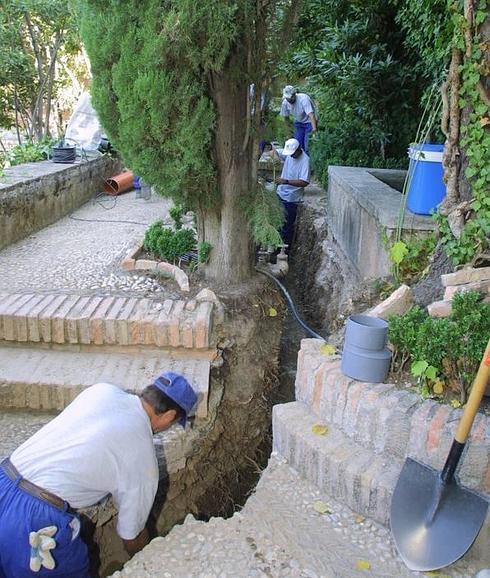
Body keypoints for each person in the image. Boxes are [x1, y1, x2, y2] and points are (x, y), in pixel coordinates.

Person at [0, 372, 198, 578]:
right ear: (169, 416)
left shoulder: (102, 390)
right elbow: (132, 534)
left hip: (4, 480)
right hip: (35, 521)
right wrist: (146, 562)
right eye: (173, 423)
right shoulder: (141, 454)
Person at [275, 138, 310, 250]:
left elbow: (304, 182)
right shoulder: (289, 155)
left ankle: (284, 252)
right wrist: (275, 158)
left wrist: (286, 181)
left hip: (292, 198)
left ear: (298, 150)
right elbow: (273, 151)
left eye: (292, 154)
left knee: (287, 226)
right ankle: (275, 248)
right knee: (277, 223)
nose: (290, 156)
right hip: (280, 193)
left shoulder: (305, 160)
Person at [280, 85, 317, 155]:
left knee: (307, 146)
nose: (289, 100)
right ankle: (300, 163)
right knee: (298, 145)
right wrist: (289, 134)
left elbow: (311, 115)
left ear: (294, 95)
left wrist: (314, 131)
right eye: (287, 98)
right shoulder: (285, 103)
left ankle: (308, 163)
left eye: (290, 98)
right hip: (299, 122)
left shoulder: (303, 99)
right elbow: (286, 119)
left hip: (309, 121)